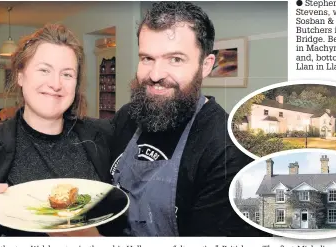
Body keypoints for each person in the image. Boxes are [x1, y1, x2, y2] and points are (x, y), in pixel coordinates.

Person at [109, 2, 270, 237]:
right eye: (147, 58)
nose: (155, 75)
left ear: (205, 66)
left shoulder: (226, 152)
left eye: (175, 59)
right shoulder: (127, 115)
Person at [0, 23, 112, 237]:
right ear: (20, 75)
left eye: (67, 74)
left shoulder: (103, 136)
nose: (56, 84)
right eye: (44, 70)